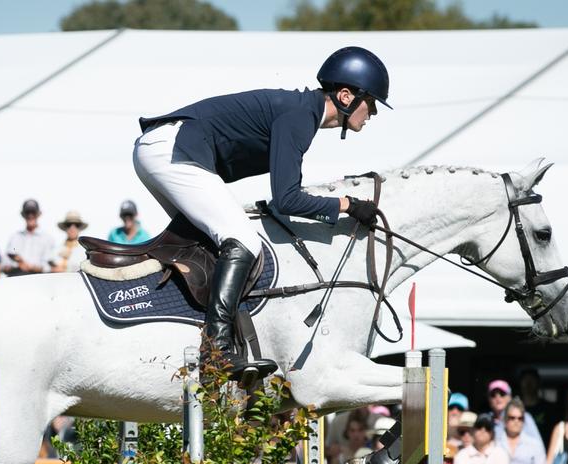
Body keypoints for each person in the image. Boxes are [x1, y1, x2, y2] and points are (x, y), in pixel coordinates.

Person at [133, 47, 390, 384]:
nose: (371, 113)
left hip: (166, 149)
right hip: (171, 150)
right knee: (241, 239)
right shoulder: (300, 117)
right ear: (345, 96)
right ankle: (216, 351)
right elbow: (287, 199)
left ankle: (192, 335)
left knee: (212, 246)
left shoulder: (301, 113)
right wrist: (345, 205)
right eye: (370, 103)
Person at [487, 379, 545, 454]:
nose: (498, 398)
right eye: (493, 395)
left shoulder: (525, 417)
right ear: (488, 399)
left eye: (502, 394)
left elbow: (539, 447)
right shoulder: (486, 419)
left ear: (510, 397)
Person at [3, 199, 57, 277]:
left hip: (38, 280)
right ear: (23, 214)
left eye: (33, 212)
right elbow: (5, 264)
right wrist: (17, 265)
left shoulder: (48, 238)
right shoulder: (15, 237)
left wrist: (32, 267)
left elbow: (51, 266)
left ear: (39, 214)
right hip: (15, 278)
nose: (30, 215)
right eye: (27, 212)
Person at [500, 398, 547, 464]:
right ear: (505, 419)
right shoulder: (496, 442)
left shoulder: (534, 445)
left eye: (520, 418)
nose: (516, 421)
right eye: (512, 418)